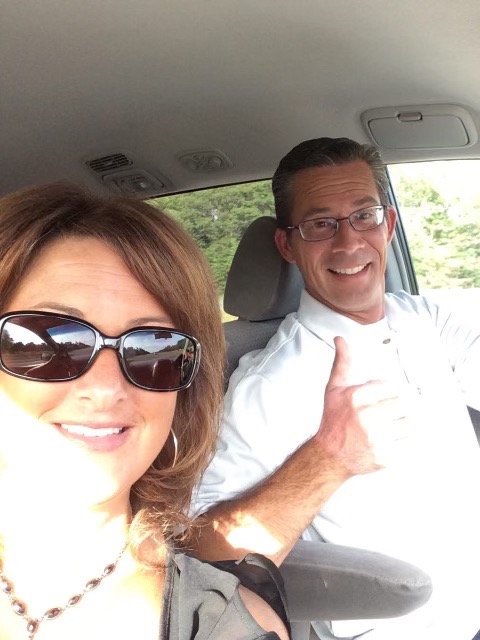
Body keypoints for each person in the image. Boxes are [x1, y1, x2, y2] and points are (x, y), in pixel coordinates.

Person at [191, 138, 480, 640]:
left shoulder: (426, 318)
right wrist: (328, 458)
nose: (348, 243)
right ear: (288, 246)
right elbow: (204, 554)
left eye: (364, 217)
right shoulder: (268, 384)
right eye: (320, 224)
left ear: (389, 225)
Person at [0, 183, 289, 640]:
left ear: (182, 396)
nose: (105, 389)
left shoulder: (222, 626)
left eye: (153, 350)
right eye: (51, 342)